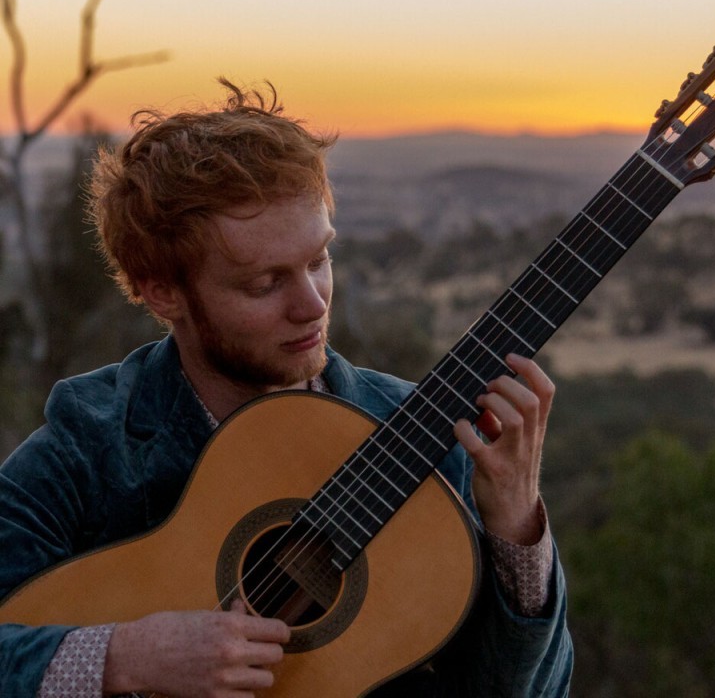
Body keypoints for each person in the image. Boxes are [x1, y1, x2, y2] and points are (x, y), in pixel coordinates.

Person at [0, 80, 573, 696]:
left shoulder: (420, 434)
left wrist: (515, 524)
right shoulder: (90, 442)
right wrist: (125, 656)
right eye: (264, 284)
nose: (312, 304)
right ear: (163, 292)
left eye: (319, 260)